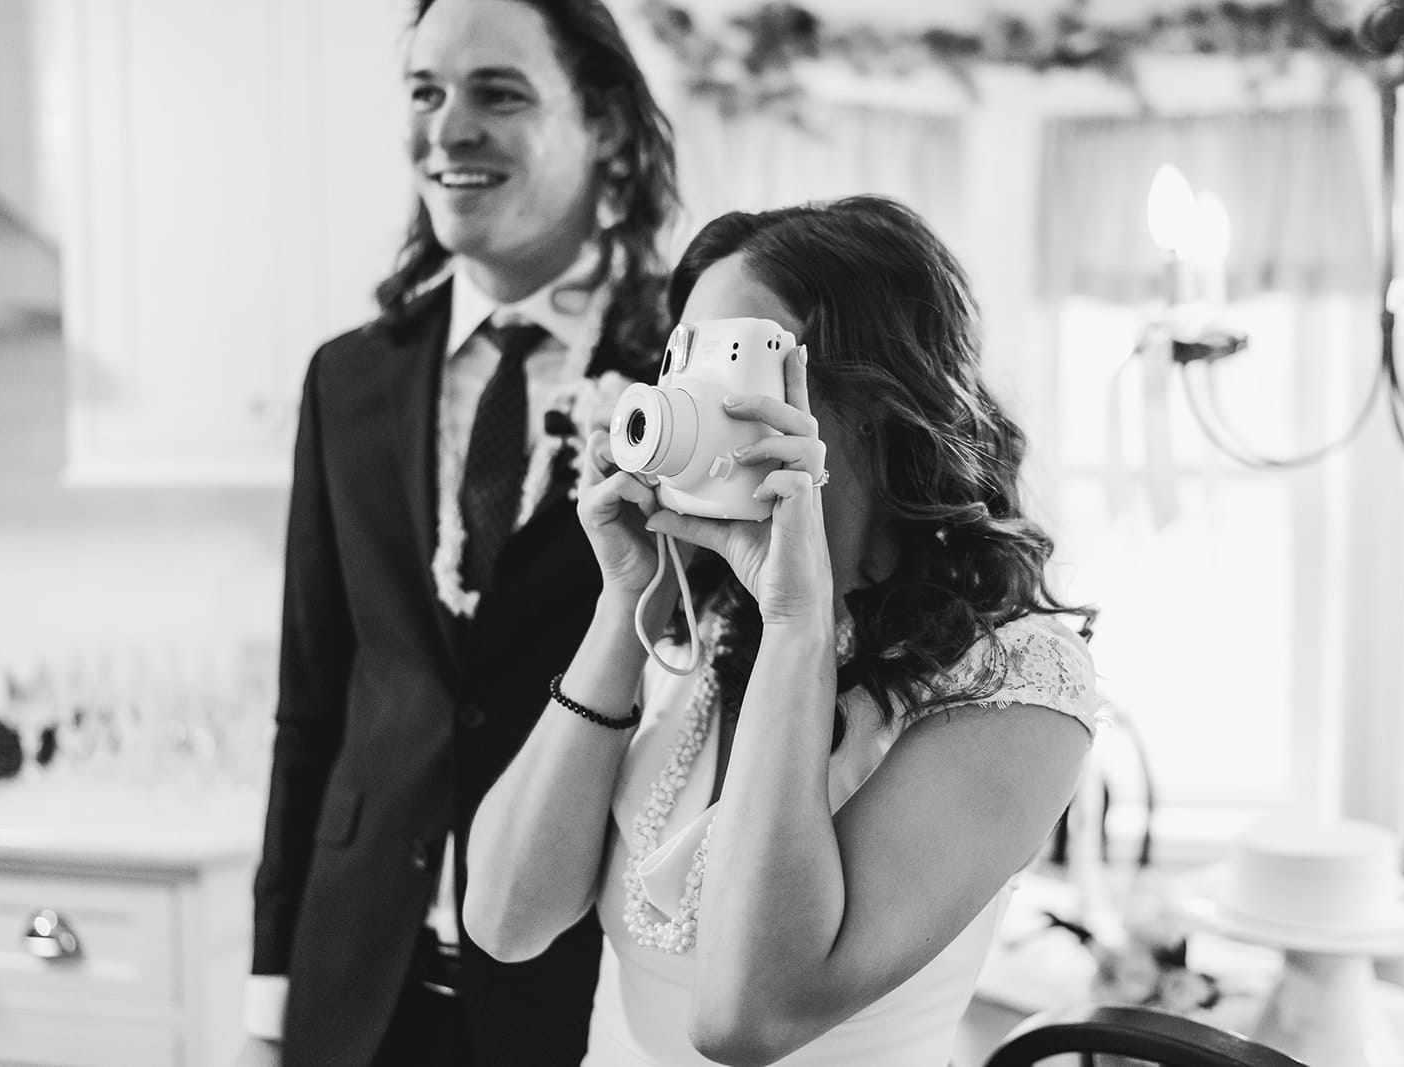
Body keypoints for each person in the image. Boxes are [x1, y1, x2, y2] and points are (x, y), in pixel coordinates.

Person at [463, 195, 1100, 1066]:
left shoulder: (1019, 683)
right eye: (681, 359)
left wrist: (799, 619)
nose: (685, 396)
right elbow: (502, 919)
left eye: (732, 362)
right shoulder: (694, 615)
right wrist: (625, 601)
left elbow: (746, 1019)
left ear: (873, 396)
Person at [237, 0, 677, 1064]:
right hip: (357, 987)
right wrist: (268, 1002)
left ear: (606, 126)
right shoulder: (348, 379)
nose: (447, 130)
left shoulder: (684, 365)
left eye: (499, 93)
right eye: (426, 92)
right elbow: (313, 703)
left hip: (580, 989)